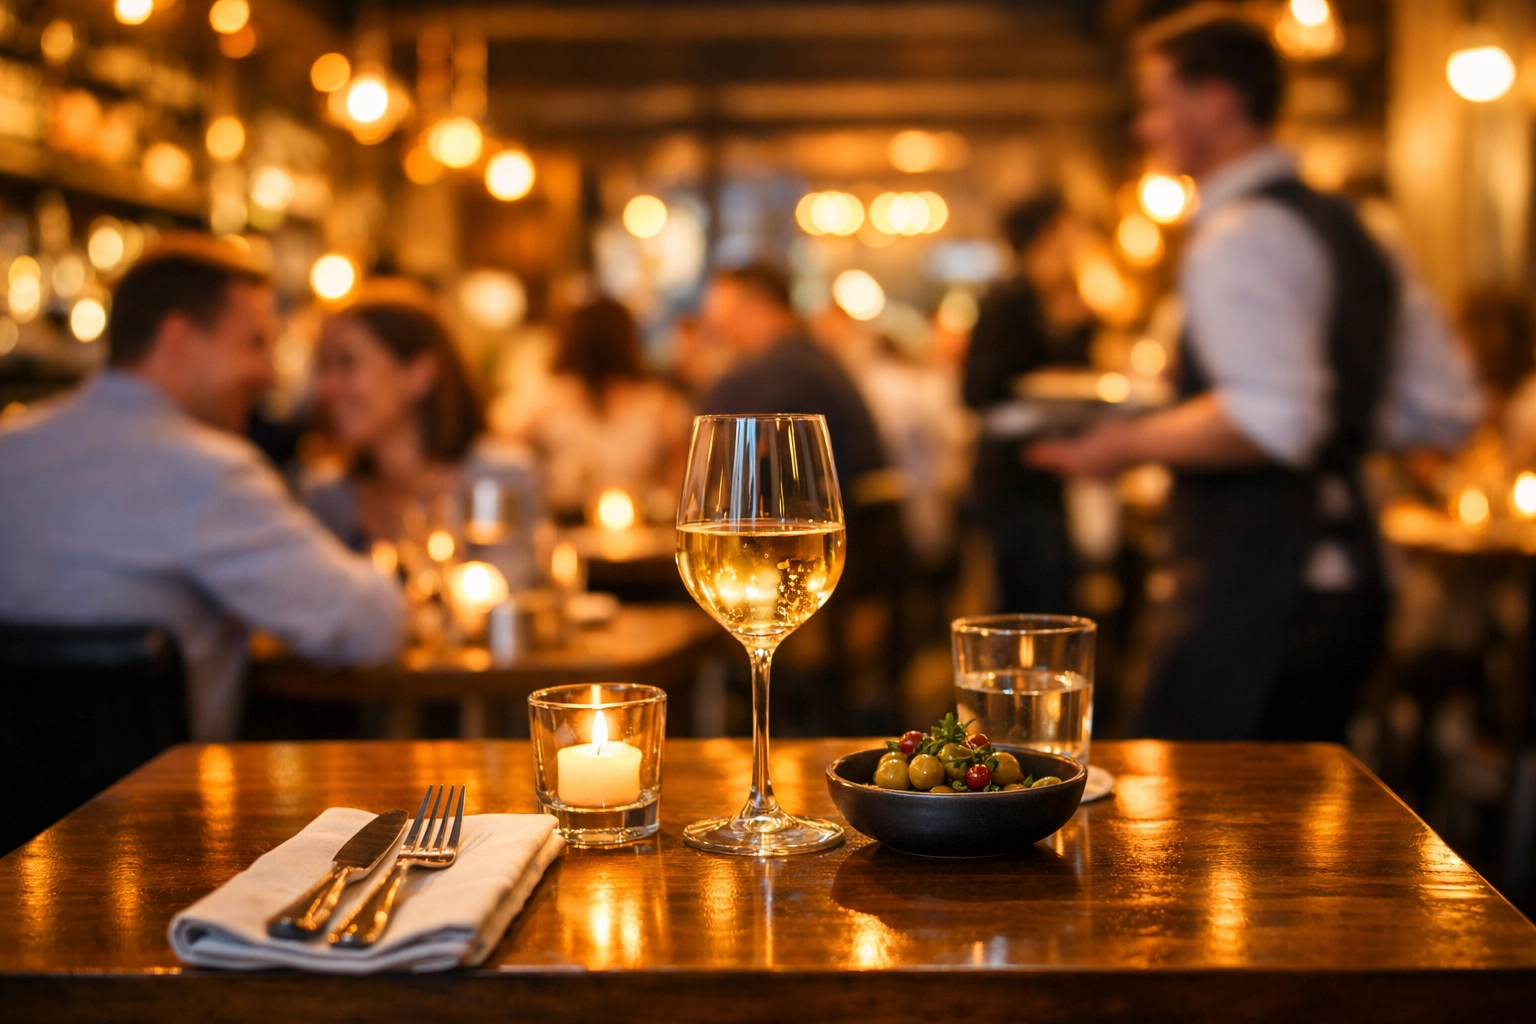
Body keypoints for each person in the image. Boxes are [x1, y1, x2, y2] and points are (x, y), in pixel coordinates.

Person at [1028, 11, 1481, 742]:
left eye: (1156, 102)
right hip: (1354, 580)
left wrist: (1121, 445)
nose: (1146, 128)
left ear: (1216, 99)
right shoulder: (1359, 229)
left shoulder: (1238, 235)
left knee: (1195, 817)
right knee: (1293, 824)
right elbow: (1443, 407)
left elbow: (1277, 421)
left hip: (1258, 595)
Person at [0, 237, 405, 741]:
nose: (270, 373)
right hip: (168, 813)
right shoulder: (211, 474)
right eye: (255, 344)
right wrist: (390, 570)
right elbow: (367, 627)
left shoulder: (9, 450)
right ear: (179, 340)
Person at [305, 280, 540, 590]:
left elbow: (512, 598)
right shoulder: (328, 496)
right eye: (324, 366)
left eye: (348, 364)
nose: (327, 387)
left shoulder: (496, 477)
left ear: (420, 372)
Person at [963, 191, 1095, 614]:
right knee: (1028, 600)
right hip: (1011, 474)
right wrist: (1047, 404)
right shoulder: (1008, 300)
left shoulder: (1053, 299)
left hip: (1046, 472)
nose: (1079, 240)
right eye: (1070, 228)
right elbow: (976, 394)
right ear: (1047, 234)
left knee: (1054, 591)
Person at [497, 297, 690, 523]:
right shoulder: (659, 401)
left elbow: (502, 446)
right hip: (564, 522)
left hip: (636, 527)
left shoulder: (658, 404)